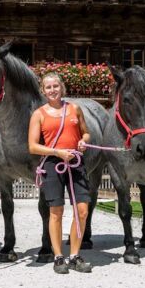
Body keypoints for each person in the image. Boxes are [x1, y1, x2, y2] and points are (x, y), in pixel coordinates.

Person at [28, 73, 93, 274]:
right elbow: (32, 146)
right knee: (56, 212)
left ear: (61, 87)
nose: (53, 90)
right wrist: (57, 152)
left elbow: (86, 133)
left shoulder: (74, 109)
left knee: (82, 211)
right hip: (52, 164)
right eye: (48, 87)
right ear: (43, 90)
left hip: (75, 162)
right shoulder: (39, 114)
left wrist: (83, 141)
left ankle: (74, 255)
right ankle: (58, 257)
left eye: (55, 86)